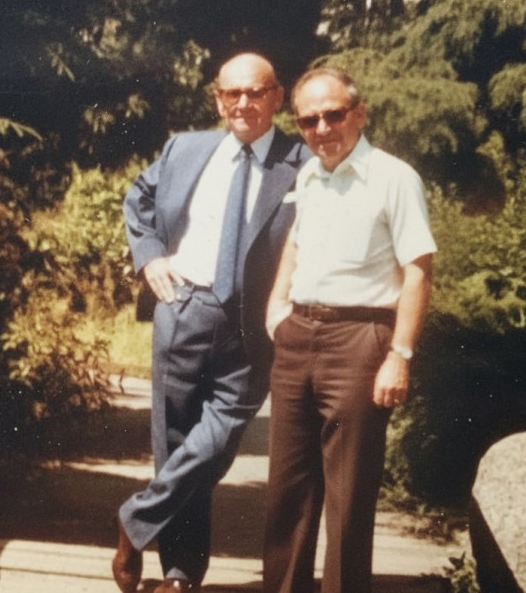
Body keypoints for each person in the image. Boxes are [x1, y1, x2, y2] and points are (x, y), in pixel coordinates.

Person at [115, 52, 310, 593]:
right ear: (218, 100)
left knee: (217, 442)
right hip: (183, 308)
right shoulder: (185, 149)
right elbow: (139, 197)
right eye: (232, 94)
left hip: (255, 325)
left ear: (277, 97)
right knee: (175, 443)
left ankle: (135, 519)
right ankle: (180, 576)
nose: (243, 103)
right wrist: (150, 258)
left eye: (255, 92)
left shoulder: (303, 162)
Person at [261, 67, 437, 593]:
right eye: (308, 120)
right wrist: (277, 306)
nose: (321, 129)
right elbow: (296, 242)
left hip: (360, 340)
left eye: (333, 115)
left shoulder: (394, 178)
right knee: (286, 493)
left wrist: (399, 354)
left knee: (348, 496)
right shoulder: (310, 176)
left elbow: (418, 269)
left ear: (359, 114)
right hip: (298, 336)